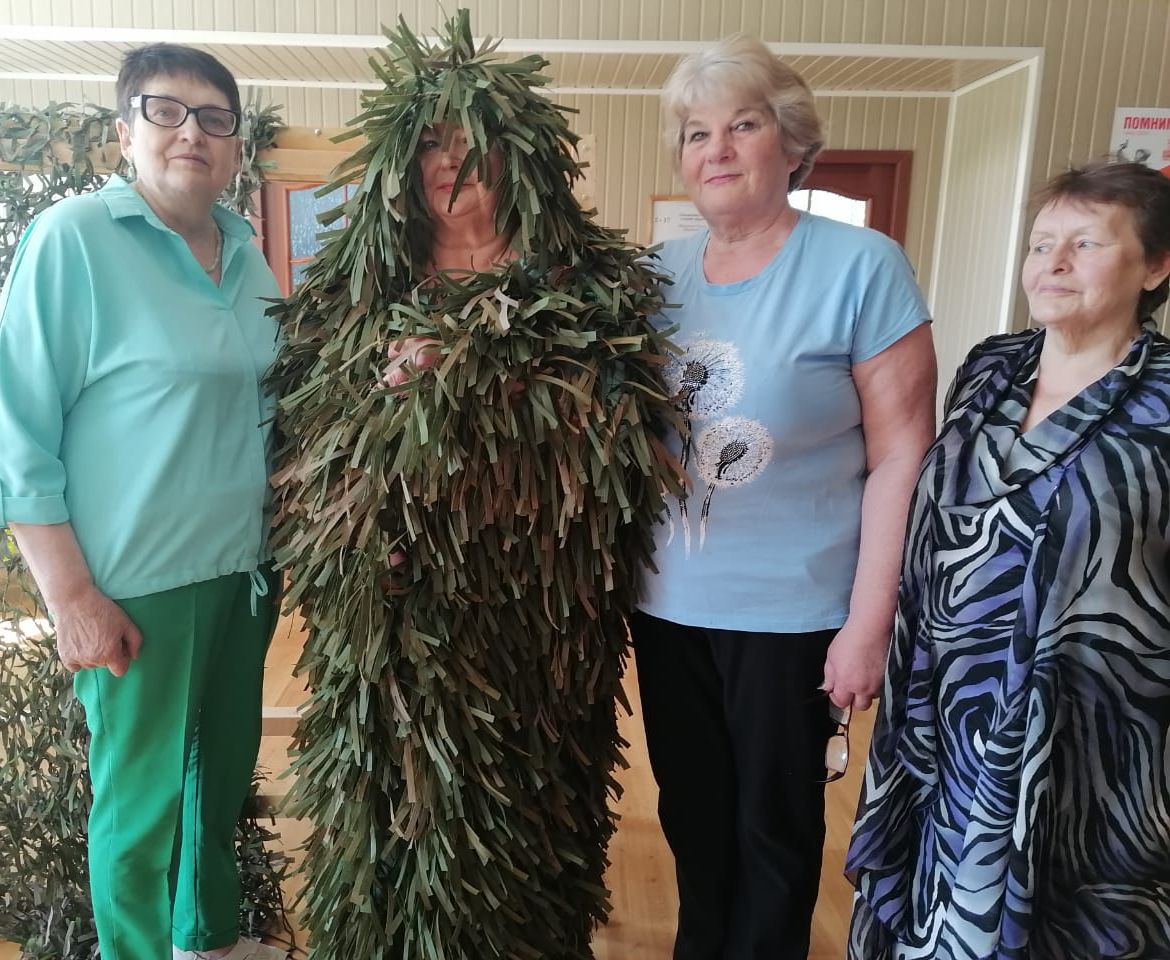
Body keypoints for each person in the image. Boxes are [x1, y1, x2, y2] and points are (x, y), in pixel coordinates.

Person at [266, 13, 680, 960]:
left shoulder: (595, 284)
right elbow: (302, 442)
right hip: (393, 618)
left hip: (538, 617)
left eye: (473, 143)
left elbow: (623, 437)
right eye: (432, 146)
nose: (452, 163)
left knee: (528, 805)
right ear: (400, 167)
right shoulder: (351, 293)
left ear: (522, 162)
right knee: (396, 808)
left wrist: (478, 376)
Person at [0, 43, 285, 960]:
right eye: (165, 111)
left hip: (245, 574)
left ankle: (207, 942)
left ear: (235, 147)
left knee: (216, 786)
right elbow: (14, 432)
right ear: (125, 132)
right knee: (142, 809)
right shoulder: (74, 239)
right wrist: (70, 596)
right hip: (136, 586)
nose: (192, 133)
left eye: (215, 118)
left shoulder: (248, 258)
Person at [628, 34, 937, 960]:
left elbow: (902, 455)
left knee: (773, 833)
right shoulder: (653, 278)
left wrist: (869, 623)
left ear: (792, 143)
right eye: (696, 133)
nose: (717, 149)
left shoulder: (863, 266)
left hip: (793, 613)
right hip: (669, 604)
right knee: (692, 817)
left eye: (744, 125)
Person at [847, 160, 1170, 959]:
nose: (1052, 264)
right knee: (936, 904)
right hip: (948, 705)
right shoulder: (992, 365)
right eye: (1040, 244)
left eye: (1085, 244)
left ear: (1155, 267)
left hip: (1086, 732)